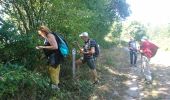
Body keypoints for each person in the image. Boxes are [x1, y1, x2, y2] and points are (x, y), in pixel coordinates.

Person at [36, 26, 61, 90]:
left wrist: (42, 47)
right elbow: (49, 49)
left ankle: (55, 90)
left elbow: (55, 47)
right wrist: (43, 56)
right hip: (53, 56)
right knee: (54, 71)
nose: (40, 34)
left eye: (40, 33)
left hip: (55, 57)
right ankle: (56, 87)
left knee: (53, 71)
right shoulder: (47, 37)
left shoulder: (50, 35)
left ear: (44, 31)